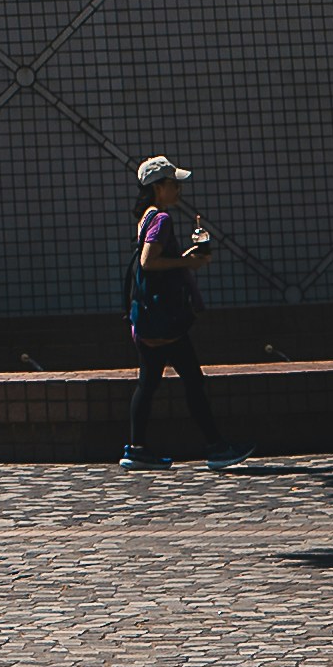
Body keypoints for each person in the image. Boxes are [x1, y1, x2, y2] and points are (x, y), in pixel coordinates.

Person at [118, 152, 239, 468]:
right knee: (193, 381)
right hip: (166, 321)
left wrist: (182, 257)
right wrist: (189, 262)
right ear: (159, 187)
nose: (178, 190)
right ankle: (216, 448)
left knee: (148, 383)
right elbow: (148, 262)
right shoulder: (161, 218)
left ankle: (136, 449)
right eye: (174, 184)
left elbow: (152, 262)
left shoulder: (145, 216)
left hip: (147, 318)